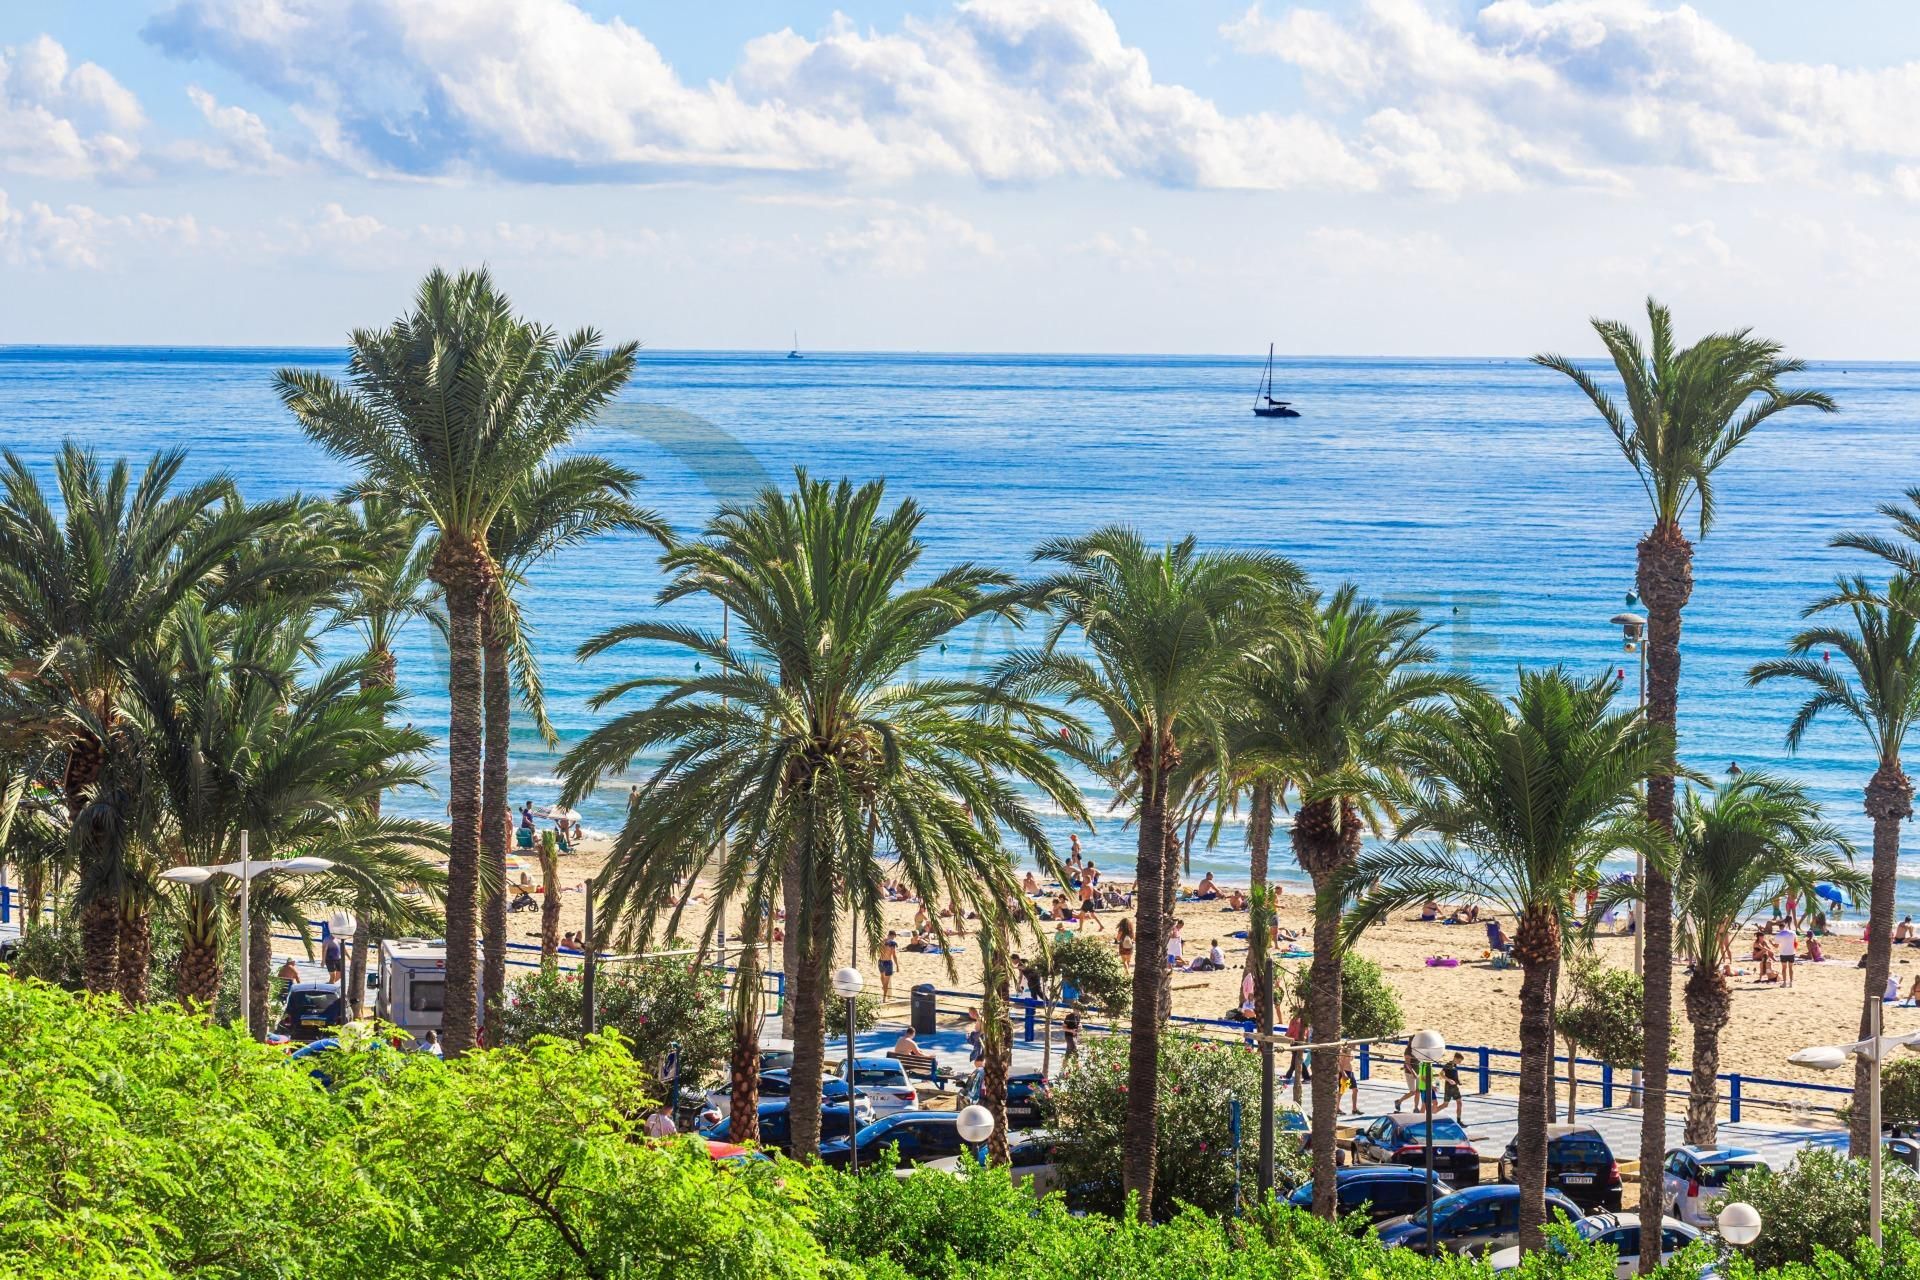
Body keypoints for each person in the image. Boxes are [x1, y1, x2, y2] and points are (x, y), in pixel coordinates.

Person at [1338, 1044, 1361, 1116]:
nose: (1356, 1046)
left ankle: (1354, 1109)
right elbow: (1340, 1063)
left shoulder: (1351, 1051)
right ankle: (1336, 1108)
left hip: (1350, 1071)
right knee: (1342, 1090)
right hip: (1344, 1072)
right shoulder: (1344, 1051)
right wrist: (1343, 1073)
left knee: (1355, 1089)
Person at [1442, 1052, 1465, 1123]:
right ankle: (1431, 1115)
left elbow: (1454, 1075)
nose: (1460, 1062)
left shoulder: (1455, 1065)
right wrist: (1449, 1080)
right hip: (1449, 1087)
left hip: (1454, 1087)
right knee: (1445, 1105)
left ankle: (1459, 1120)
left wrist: (1458, 1081)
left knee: (1459, 1102)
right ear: (1455, 1058)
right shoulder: (1448, 1065)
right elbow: (1441, 1074)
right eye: (1459, 1061)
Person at [1776, 920, 1799, 987]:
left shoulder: (1779, 935)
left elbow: (1776, 946)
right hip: (1791, 952)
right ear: (1785, 926)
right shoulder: (1793, 933)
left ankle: (1785, 983)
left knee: (1784, 968)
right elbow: (1795, 942)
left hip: (1783, 953)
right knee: (1791, 968)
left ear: (1779, 927)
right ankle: (1791, 983)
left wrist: (1771, 943)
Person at [878, 930, 899, 1001]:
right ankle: (884, 998)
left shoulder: (882, 941)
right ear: (893, 935)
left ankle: (884, 988)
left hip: (880, 961)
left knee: (882, 977)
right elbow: (894, 955)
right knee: (886, 981)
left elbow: (878, 950)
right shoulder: (892, 944)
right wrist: (897, 965)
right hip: (888, 962)